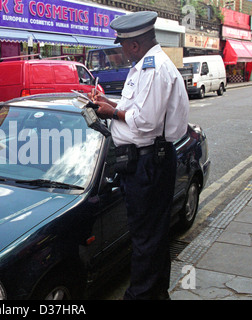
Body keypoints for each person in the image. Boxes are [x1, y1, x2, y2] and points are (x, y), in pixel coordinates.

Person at [89, 11, 189, 300]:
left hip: (149, 164)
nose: (120, 49)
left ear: (134, 45)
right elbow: (137, 108)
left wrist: (113, 112)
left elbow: (146, 121)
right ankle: (155, 293)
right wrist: (111, 103)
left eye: (122, 44)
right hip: (147, 162)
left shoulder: (154, 69)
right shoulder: (144, 66)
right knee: (151, 236)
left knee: (146, 237)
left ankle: (142, 295)